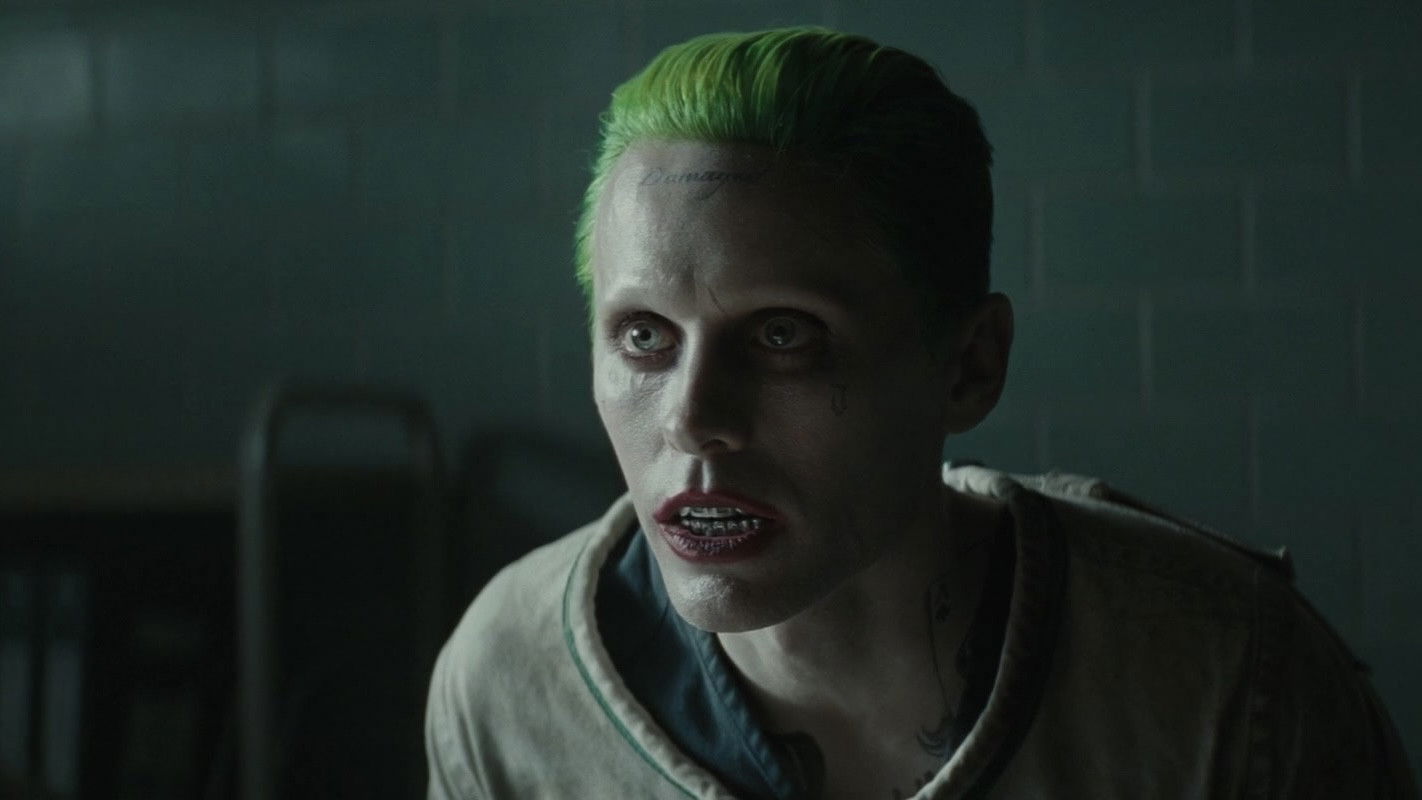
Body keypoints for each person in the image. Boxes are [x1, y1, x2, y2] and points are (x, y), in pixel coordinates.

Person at [425, 26, 1417, 799]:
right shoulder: (511, 678)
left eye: (783, 336)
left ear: (970, 364)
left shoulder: (1226, 678)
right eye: (644, 336)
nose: (693, 418)